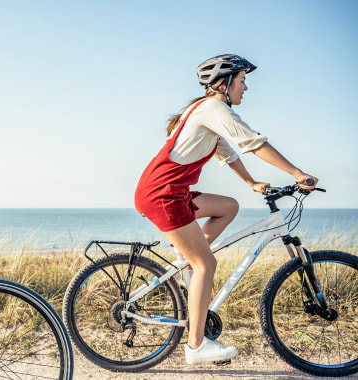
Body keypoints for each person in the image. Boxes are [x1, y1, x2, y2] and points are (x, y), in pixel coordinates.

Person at [133, 54, 317, 364]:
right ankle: (195, 347)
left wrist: (252, 183)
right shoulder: (213, 108)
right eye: (243, 81)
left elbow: (227, 152)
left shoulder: (203, 110)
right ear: (224, 82)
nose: (246, 87)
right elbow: (253, 142)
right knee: (206, 265)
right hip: (163, 194)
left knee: (228, 207)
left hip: (169, 191)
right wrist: (298, 174)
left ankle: (187, 261)